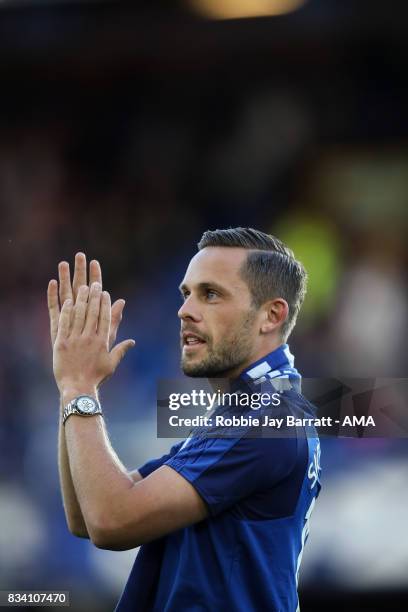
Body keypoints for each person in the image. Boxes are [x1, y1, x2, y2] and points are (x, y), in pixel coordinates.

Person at [48, 227, 321, 612]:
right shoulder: (246, 410)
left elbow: (110, 520)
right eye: (186, 294)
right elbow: (86, 516)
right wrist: (70, 388)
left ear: (271, 315)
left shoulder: (268, 419)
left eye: (210, 294)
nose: (185, 310)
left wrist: (81, 387)